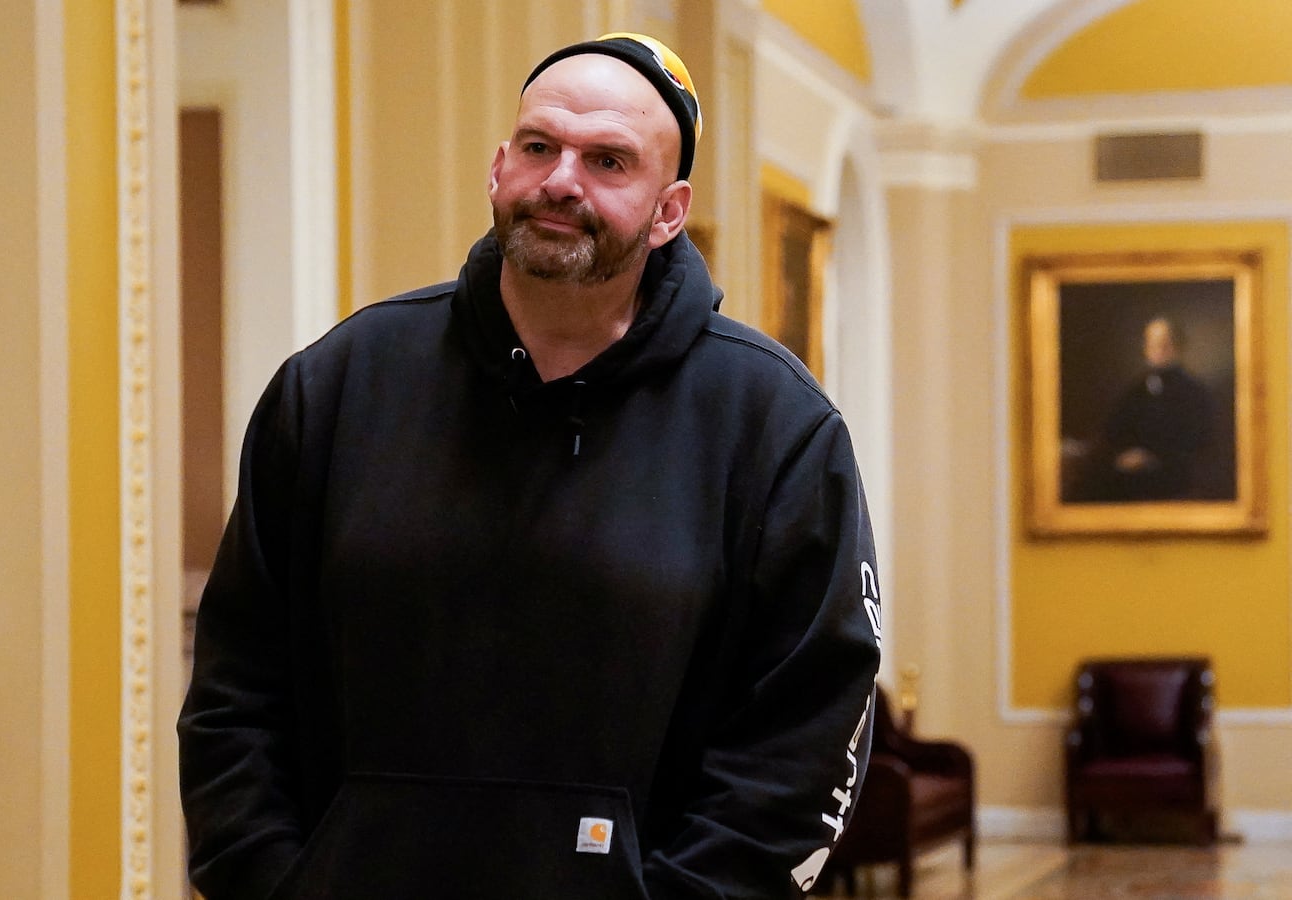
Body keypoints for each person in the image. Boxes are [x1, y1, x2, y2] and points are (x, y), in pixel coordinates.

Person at [179, 33, 882, 900]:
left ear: (669, 211)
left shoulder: (776, 427)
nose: (562, 180)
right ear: (499, 168)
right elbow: (235, 688)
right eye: (541, 147)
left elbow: (805, 739)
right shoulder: (337, 386)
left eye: (609, 161)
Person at [1097, 316, 1222, 501]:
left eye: (1165, 343)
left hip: (1175, 481)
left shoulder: (1194, 392)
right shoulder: (1135, 390)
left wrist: (1151, 458)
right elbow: (1113, 431)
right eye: (1152, 344)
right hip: (1131, 481)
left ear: (1178, 347)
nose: (1158, 350)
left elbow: (1200, 443)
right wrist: (1122, 456)